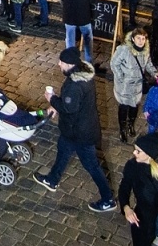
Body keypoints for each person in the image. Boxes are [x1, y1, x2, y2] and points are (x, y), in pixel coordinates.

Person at [33, 49, 117, 212]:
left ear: (70, 64)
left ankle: (108, 199)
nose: (59, 64)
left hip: (80, 134)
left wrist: (52, 99)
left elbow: (68, 108)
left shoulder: (74, 85)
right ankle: (52, 179)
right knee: (63, 151)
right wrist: (57, 104)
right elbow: (71, 104)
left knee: (92, 166)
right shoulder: (83, 75)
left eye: (62, 62)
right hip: (74, 130)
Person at [111, 28, 154, 142]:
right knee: (124, 106)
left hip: (137, 86)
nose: (141, 41)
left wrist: (155, 73)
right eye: (138, 38)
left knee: (134, 106)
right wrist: (121, 77)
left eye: (143, 38)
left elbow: (148, 64)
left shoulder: (146, 50)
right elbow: (114, 63)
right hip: (125, 86)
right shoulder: (124, 50)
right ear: (133, 39)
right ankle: (122, 129)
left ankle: (131, 124)